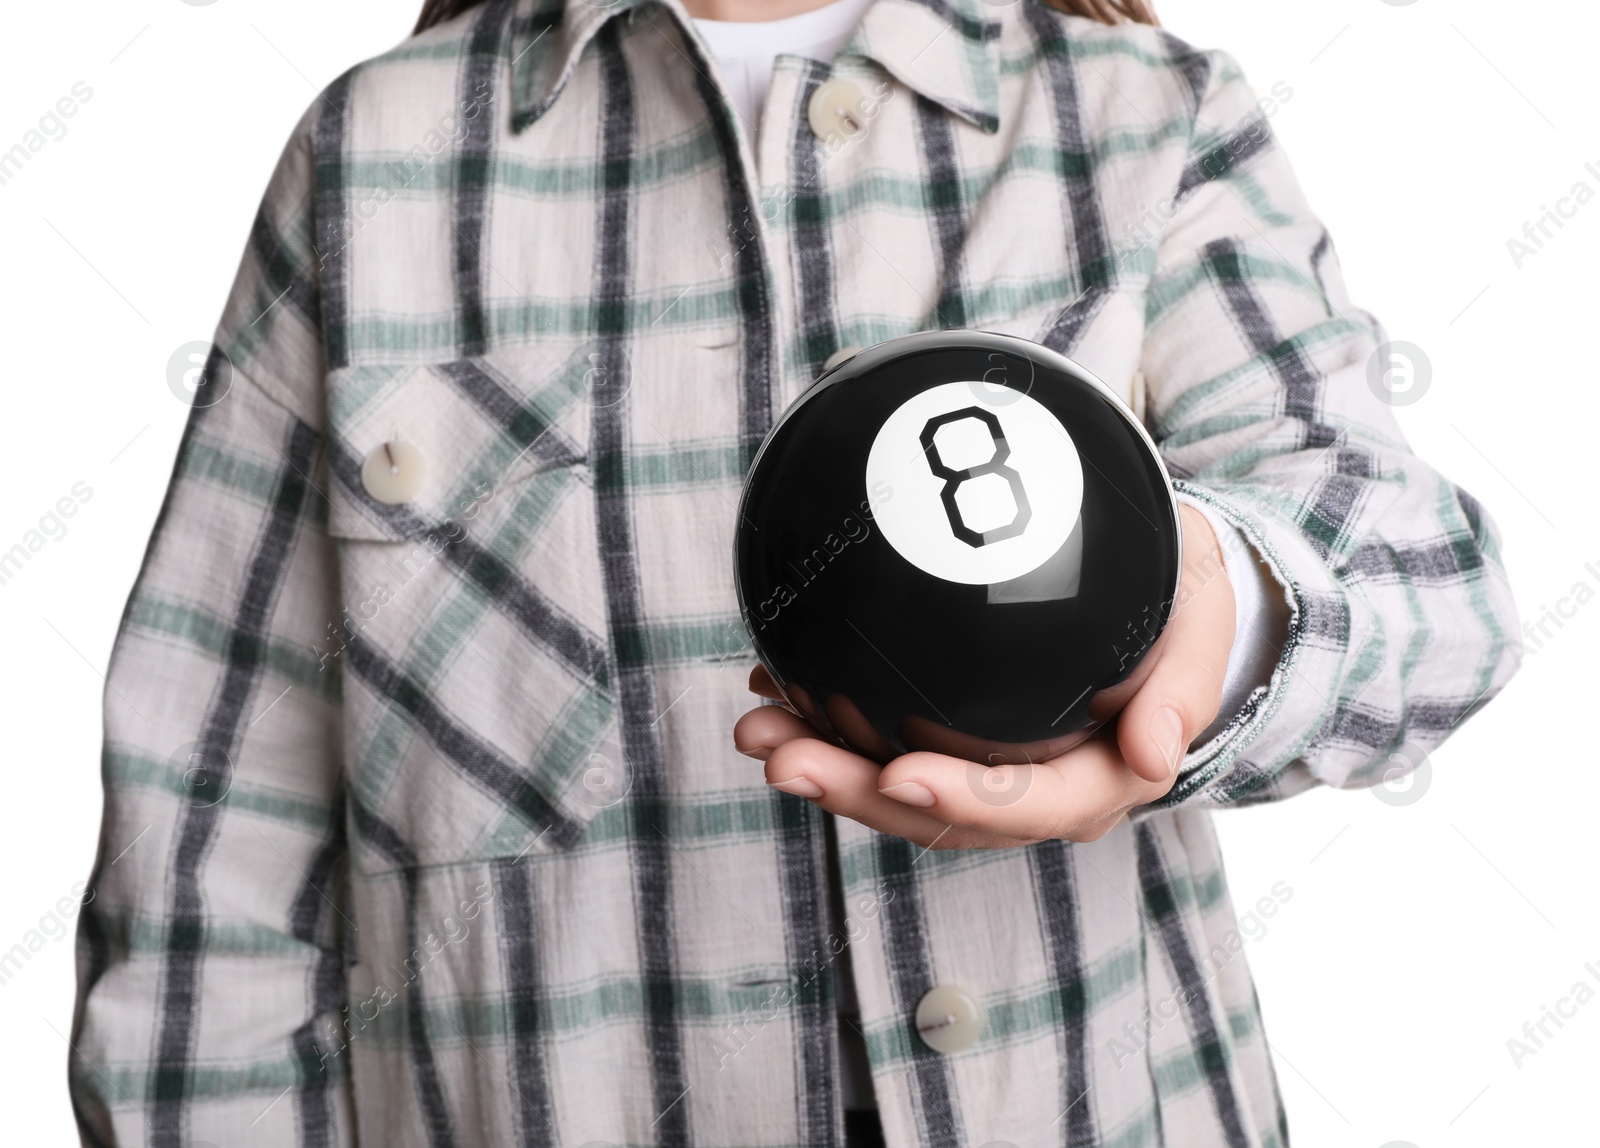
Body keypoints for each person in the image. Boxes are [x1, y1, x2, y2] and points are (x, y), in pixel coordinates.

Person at [68, 0, 1519, 1143]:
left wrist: (1222, 601)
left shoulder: (1147, 117)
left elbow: (1432, 593)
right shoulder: (373, 159)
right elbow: (213, 847)